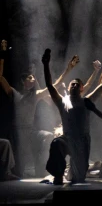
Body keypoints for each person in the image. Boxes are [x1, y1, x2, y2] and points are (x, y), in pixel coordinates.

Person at [0, 39, 80, 177]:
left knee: (48, 135)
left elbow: (53, 85)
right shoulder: (14, 94)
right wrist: (2, 55)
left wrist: (68, 69)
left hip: (31, 131)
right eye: (30, 77)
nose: (33, 79)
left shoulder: (36, 95)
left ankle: (42, 169)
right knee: (19, 168)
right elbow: (0, 77)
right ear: (23, 81)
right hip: (18, 133)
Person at [43, 48, 102, 185]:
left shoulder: (87, 101)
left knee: (77, 179)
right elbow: (50, 86)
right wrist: (46, 64)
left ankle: (73, 172)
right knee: (56, 143)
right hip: (67, 138)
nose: (74, 85)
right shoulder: (62, 101)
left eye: (77, 84)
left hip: (82, 140)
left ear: (82, 88)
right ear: (69, 88)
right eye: (72, 84)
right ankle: (58, 174)